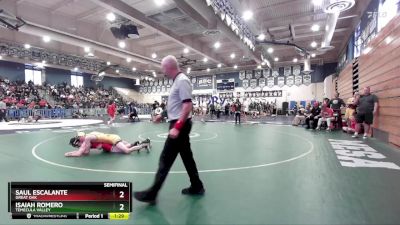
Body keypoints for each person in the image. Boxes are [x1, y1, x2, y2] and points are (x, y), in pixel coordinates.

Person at [134, 55, 204, 204]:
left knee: (165, 159)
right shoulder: (176, 82)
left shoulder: (182, 80)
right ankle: (197, 186)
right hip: (179, 123)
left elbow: (187, 106)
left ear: (169, 67)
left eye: (163, 68)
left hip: (180, 125)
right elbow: (176, 105)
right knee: (187, 158)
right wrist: (163, 116)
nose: (163, 71)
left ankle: (152, 193)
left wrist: (177, 127)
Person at [65, 131, 151, 157]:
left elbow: (85, 152)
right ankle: (138, 143)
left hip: (112, 140)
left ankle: (144, 145)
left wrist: (69, 154)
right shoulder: (90, 135)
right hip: (111, 138)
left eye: (79, 140)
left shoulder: (87, 138)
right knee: (126, 146)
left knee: (126, 151)